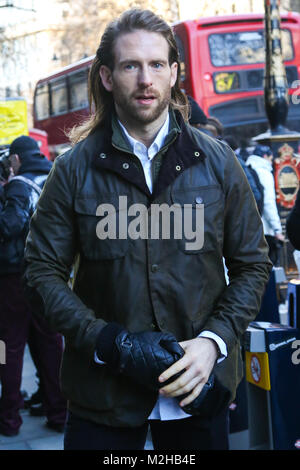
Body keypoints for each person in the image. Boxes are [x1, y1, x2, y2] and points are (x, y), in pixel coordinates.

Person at [23, 9, 272, 451]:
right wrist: (105, 340)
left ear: (174, 73)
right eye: (130, 65)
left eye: (157, 64)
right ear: (106, 76)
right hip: (103, 397)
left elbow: (253, 265)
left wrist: (213, 343)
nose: (145, 79)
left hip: (198, 391)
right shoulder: (72, 169)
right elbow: (41, 270)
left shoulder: (218, 162)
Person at [0, 135, 67, 436]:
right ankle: (60, 411)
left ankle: (9, 418)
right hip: (51, 274)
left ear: (16, 159)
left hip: (14, 276)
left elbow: (9, 225)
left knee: (9, 347)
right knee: (51, 344)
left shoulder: (18, 184)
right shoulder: (56, 173)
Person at [246, 144, 284, 266]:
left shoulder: (247, 167)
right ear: (265, 156)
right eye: (271, 159)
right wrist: (277, 229)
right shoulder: (264, 172)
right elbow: (268, 202)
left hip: (252, 226)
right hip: (266, 229)